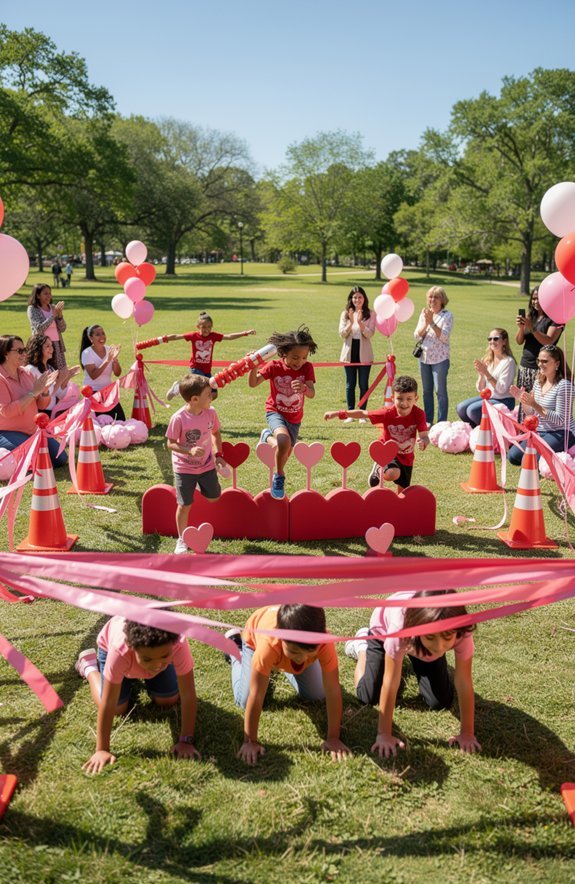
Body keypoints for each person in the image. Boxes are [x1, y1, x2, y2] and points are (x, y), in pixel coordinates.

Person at [345, 590, 480, 759]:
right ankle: (361, 647)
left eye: (447, 637)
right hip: (384, 634)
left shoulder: (461, 630)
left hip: (420, 643)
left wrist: (467, 733)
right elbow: (391, 681)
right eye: (431, 637)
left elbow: (463, 681)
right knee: (368, 696)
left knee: (440, 701)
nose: (439, 647)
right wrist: (384, 734)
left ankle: (416, 651)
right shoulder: (399, 628)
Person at [226, 604, 352, 765]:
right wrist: (250, 741)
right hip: (254, 641)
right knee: (244, 701)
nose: (301, 659)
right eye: (294, 652)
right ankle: (237, 650)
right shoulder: (268, 645)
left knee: (317, 694)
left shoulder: (324, 642)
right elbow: (255, 695)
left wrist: (333, 738)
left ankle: (277, 664)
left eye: (310, 652)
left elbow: (332, 689)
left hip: (280, 650)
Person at [75, 618, 200, 774]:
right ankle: (89, 668)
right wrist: (102, 749)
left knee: (169, 700)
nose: (157, 665)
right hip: (118, 657)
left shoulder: (178, 643)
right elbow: (108, 701)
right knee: (117, 709)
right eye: (147, 659)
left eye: (165, 656)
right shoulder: (119, 651)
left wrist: (185, 741)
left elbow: (188, 694)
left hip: (139, 658)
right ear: (132, 648)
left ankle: (137, 671)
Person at [248, 326, 317, 500]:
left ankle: (266, 437)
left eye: (304, 357)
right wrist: (253, 366)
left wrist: (304, 388)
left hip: (295, 418)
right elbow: (253, 383)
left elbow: (312, 393)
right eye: (295, 357)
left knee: (284, 451)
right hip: (275, 412)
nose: (299, 362)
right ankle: (279, 477)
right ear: (283, 353)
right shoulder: (274, 366)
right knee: (284, 441)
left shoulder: (307, 368)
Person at [325, 375, 429, 490]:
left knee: (403, 490)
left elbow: (424, 436)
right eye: (400, 398)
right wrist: (338, 413)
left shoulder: (419, 414)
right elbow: (363, 413)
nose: (404, 403)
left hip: (407, 456)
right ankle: (379, 468)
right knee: (393, 474)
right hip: (386, 451)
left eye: (409, 399)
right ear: (392, 398)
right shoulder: (387, 413)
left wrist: (423, 442)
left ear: (416, 399)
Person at [165, 374, 226, 554]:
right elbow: (170, 443)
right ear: (194, 399)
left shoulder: (211, 413)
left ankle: (199, 485)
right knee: (185, 505)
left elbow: (216, 433)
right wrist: (189, 450)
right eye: (208, 394)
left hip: (206, 465)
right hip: (184, 468)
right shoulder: (178, 418)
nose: (212, 396)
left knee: (214, 497)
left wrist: (219, 455)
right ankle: (182, 539)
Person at [0, 334, 66, 467]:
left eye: (24, 350)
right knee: (37, 459)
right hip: (7, 432)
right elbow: (6, 411)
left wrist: (45, 391)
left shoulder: (26, 373)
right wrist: (33, 393)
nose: (24, 354)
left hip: (33, 431)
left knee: (60, 458)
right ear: (5, 353)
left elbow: (41, 405)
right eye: (20, 351)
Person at [165, 312, 256, 400]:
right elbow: (177, 336)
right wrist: (164, 338)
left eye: (209, 327)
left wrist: (245, 333)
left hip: (207, 370)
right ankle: (179, 388)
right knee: (201, 389)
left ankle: (196, 401)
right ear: (198, 326)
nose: (207, 329)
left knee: (214, 394)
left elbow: (229, 337)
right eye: (204, 327)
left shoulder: (213, 336)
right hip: (196, 368)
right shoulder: (194, 335)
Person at [508, 344, 575, 464]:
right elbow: (532, 413)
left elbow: (560, 420)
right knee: (513, 456)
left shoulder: (564, 386)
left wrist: (535, 404)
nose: (540, 364)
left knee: (528, 461)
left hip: (562, 433)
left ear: (557, 364)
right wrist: (523, 401)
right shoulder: (538, 382)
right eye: (538, 360)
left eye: (545, 361)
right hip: (540, 431)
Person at [515, 286, 563, 422]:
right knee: (524, 403)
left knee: (538, 403)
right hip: (525, 366)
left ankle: (539, 431)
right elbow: (519, 341)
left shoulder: (555, 318)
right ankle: (524, 431)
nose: (535, 302)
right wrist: (521, 328)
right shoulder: (531, 316)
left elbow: (549, 340)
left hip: (541, 368)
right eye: (533, 299)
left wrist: (532, 327)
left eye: (539, 299)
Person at [456, 328, 517, 427]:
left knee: (472, 411)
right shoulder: (488, 360)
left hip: (504, 400)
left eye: (496, 339)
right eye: (490, 339)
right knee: (461, 408)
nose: (492, 341)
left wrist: (486, 373)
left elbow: (501, 389)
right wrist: (481, 374)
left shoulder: (509, 362)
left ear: (504, 341)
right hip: (490, 397)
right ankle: (477, 430)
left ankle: (488, 432)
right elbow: (481, 389)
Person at [413, 286, 454, 425]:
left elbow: (444, 337)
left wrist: (431, 322)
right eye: (430, 296)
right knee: (426, 391)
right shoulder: (424, 313)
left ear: (442, 300)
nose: (432, 299)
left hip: (440, 359)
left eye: (436, 297)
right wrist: (426, 322)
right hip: (424, 358)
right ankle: (428, 421)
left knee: (440, 391)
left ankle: (442, 422)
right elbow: (416, 335)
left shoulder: (447, 315)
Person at [338, 286, 376, 422]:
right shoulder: (345, 314)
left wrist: (360, 323)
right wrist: (351, 323)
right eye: (354, 297)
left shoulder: (370, 314)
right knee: (350, 384)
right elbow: (342, 334)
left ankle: (362, 414)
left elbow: (370, 334)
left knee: (363, 384)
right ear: (351, 299)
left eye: (360, 297)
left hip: (364, 353)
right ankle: (350, 414)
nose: (357, 300)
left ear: (364, 298)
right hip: (349, 353)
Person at [25, 334, 80, 417]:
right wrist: (60, 380)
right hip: (40, 414)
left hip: (52, 412)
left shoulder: (50, 368)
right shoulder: (31, 369)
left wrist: (66, 378)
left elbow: (57, 393)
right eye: (47, 346)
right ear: (37, 348)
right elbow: (38, 398)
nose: (52, 349)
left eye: (51, 345)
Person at [80, 325, 125, 421]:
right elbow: (93, 375)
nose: (102, 337)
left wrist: (115, 360)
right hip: (93, 393)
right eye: (97, 334)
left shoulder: (109, 350)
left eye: (103, 333)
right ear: (91, 338)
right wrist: (107, 360)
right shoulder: (87, 353)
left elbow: (117, 373)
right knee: (101, 421)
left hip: (108, 392)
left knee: (121, 419)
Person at [27, 283, 67, 369]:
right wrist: (53, 315)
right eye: (45, 293)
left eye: (50, 293)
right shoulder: (32, 309)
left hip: (56, 345)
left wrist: (60, 316)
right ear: (38, 295)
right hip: (42, 347)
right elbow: (39, 329)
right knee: (45, 371)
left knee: (60, 371)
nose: (49, 296)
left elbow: (63, 329)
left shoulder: (53, 307)